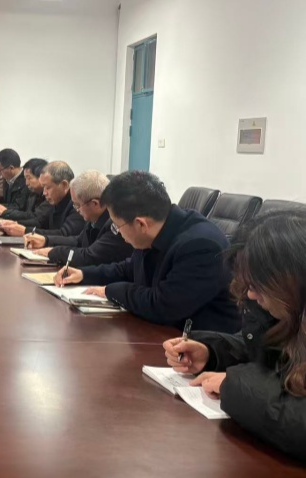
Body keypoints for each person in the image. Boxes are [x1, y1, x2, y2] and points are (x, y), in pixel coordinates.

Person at [163, 211, 306, 461]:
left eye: (258, 285)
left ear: (290, 280)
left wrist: (232, 385)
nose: (250, 295)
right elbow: (263, 346)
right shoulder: (285, 310)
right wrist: (212, 353)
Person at [55, 170, 239, 333]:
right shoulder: (156, 231)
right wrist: (84, 274)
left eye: (117, 226)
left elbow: (162, 306)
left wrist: (111, 290)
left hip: (201, 346)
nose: (118, 233)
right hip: (164, 334)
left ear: (141, 224)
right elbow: (129, 268)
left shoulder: (200, 246)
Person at [27, 170, 133, 267]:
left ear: (95, 204)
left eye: (77, 205)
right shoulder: (94, 218)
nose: (76, 210)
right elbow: (78, 241)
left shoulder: (117, 223)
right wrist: (47, 240)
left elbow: (89, 257)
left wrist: (55, 252)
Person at [1, 161, 85, 238]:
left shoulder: (78, 204)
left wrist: (25, 231)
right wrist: (15, 224)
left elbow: (64, 234)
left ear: (64, 185)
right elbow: (40, 222)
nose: (44, 193)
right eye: (43, 187)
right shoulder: (56, 200)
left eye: (47, 187)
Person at [0, 158, 53, 229]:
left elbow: (35, 218)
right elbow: (27, 214)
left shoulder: (51, 196)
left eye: (29, 178)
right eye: (25, 178)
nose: (26, 183)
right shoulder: (33, 193)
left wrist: (6, 213)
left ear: (42, 177)